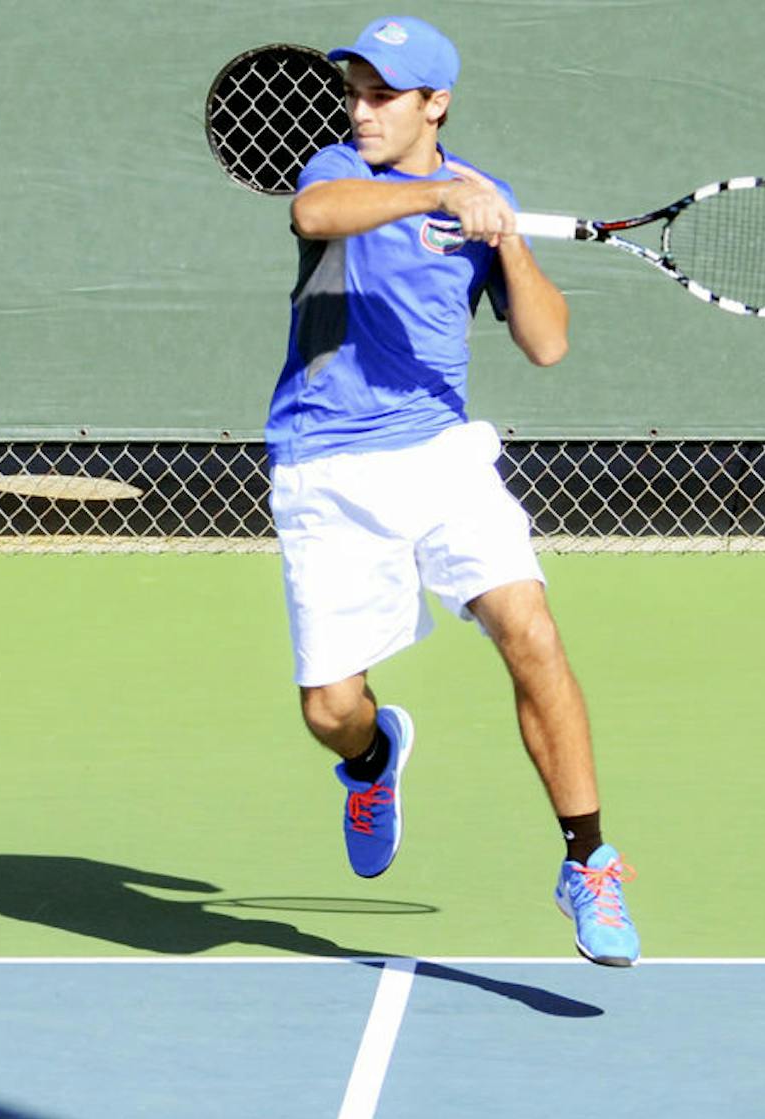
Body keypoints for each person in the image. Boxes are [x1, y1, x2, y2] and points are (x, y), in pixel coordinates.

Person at [266, 15, 639, 966]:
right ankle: (373, 758)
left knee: (532, 630)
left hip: (441, 456)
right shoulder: (329, 172)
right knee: (328, 709)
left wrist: (504, 236)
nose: (361, 110)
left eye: (383, 96)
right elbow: (318, 219)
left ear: (435, 103)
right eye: (354, 91)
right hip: (326, 462)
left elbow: (547, 342)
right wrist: (433, 194)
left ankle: (588, 860)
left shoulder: (484, 198)